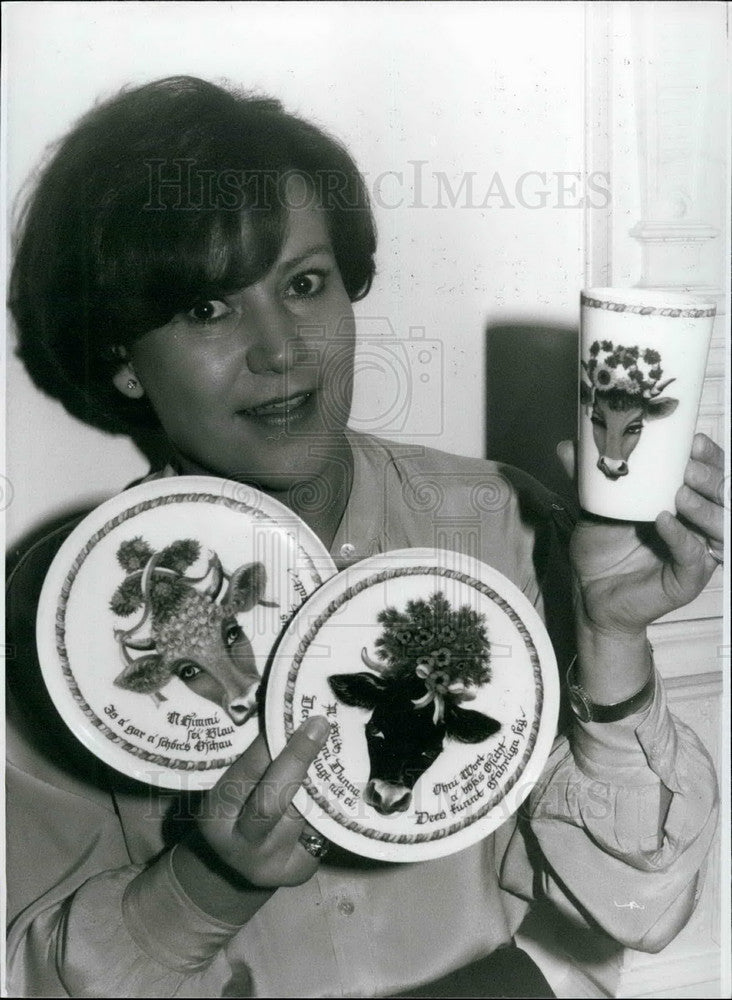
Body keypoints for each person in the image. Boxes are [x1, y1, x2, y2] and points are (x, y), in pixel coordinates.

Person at [5, 76, 723, 998]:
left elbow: (639, 910)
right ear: (124, 363)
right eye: (206, 310)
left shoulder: (501, 524)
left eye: (304, 284)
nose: (281, 349)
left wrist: (611, 637)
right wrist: (203, 886)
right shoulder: (62, 617)